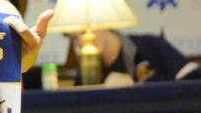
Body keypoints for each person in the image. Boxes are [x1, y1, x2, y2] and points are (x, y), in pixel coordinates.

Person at [73, 29, 201, 85]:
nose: (80, 41)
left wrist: (134, 92)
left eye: (84, 32)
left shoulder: (151, 46)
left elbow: (194, 81)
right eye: (73, 37)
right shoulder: (84, 71)